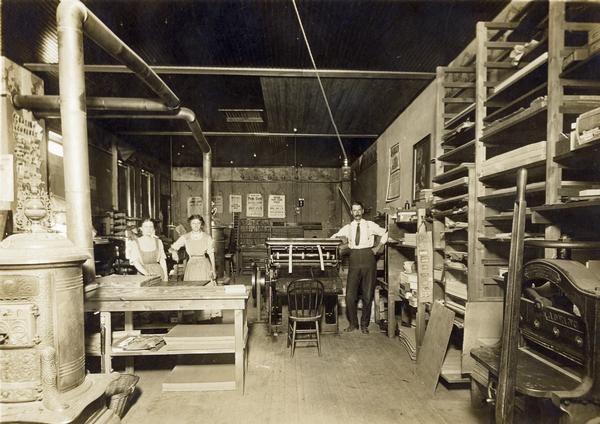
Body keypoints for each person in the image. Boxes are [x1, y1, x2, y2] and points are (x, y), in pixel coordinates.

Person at [331, 201, 388, 334]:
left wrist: (379, 247)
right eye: (354, 210)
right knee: (350, 296)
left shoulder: (370, 225)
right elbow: (333, 237)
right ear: (351, 212)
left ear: (362, 211)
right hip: (354, 258)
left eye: (359, 210)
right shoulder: (348, 227)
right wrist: (340, 238)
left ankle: (364, 325)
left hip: (369, 257)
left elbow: (386, 232)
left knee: (368, 295)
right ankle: (353, 324)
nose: (356, 213)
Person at [169, 215, 217, 281]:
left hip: (204, 266)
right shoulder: (185, 237)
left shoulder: (207, 237)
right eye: (193, 223)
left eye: (198, 223)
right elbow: (172, 248)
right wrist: (174, 252)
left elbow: (211, 255)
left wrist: (213, 270)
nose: (196, 225)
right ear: (190, 224)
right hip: (191, 266)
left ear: (201, 224)